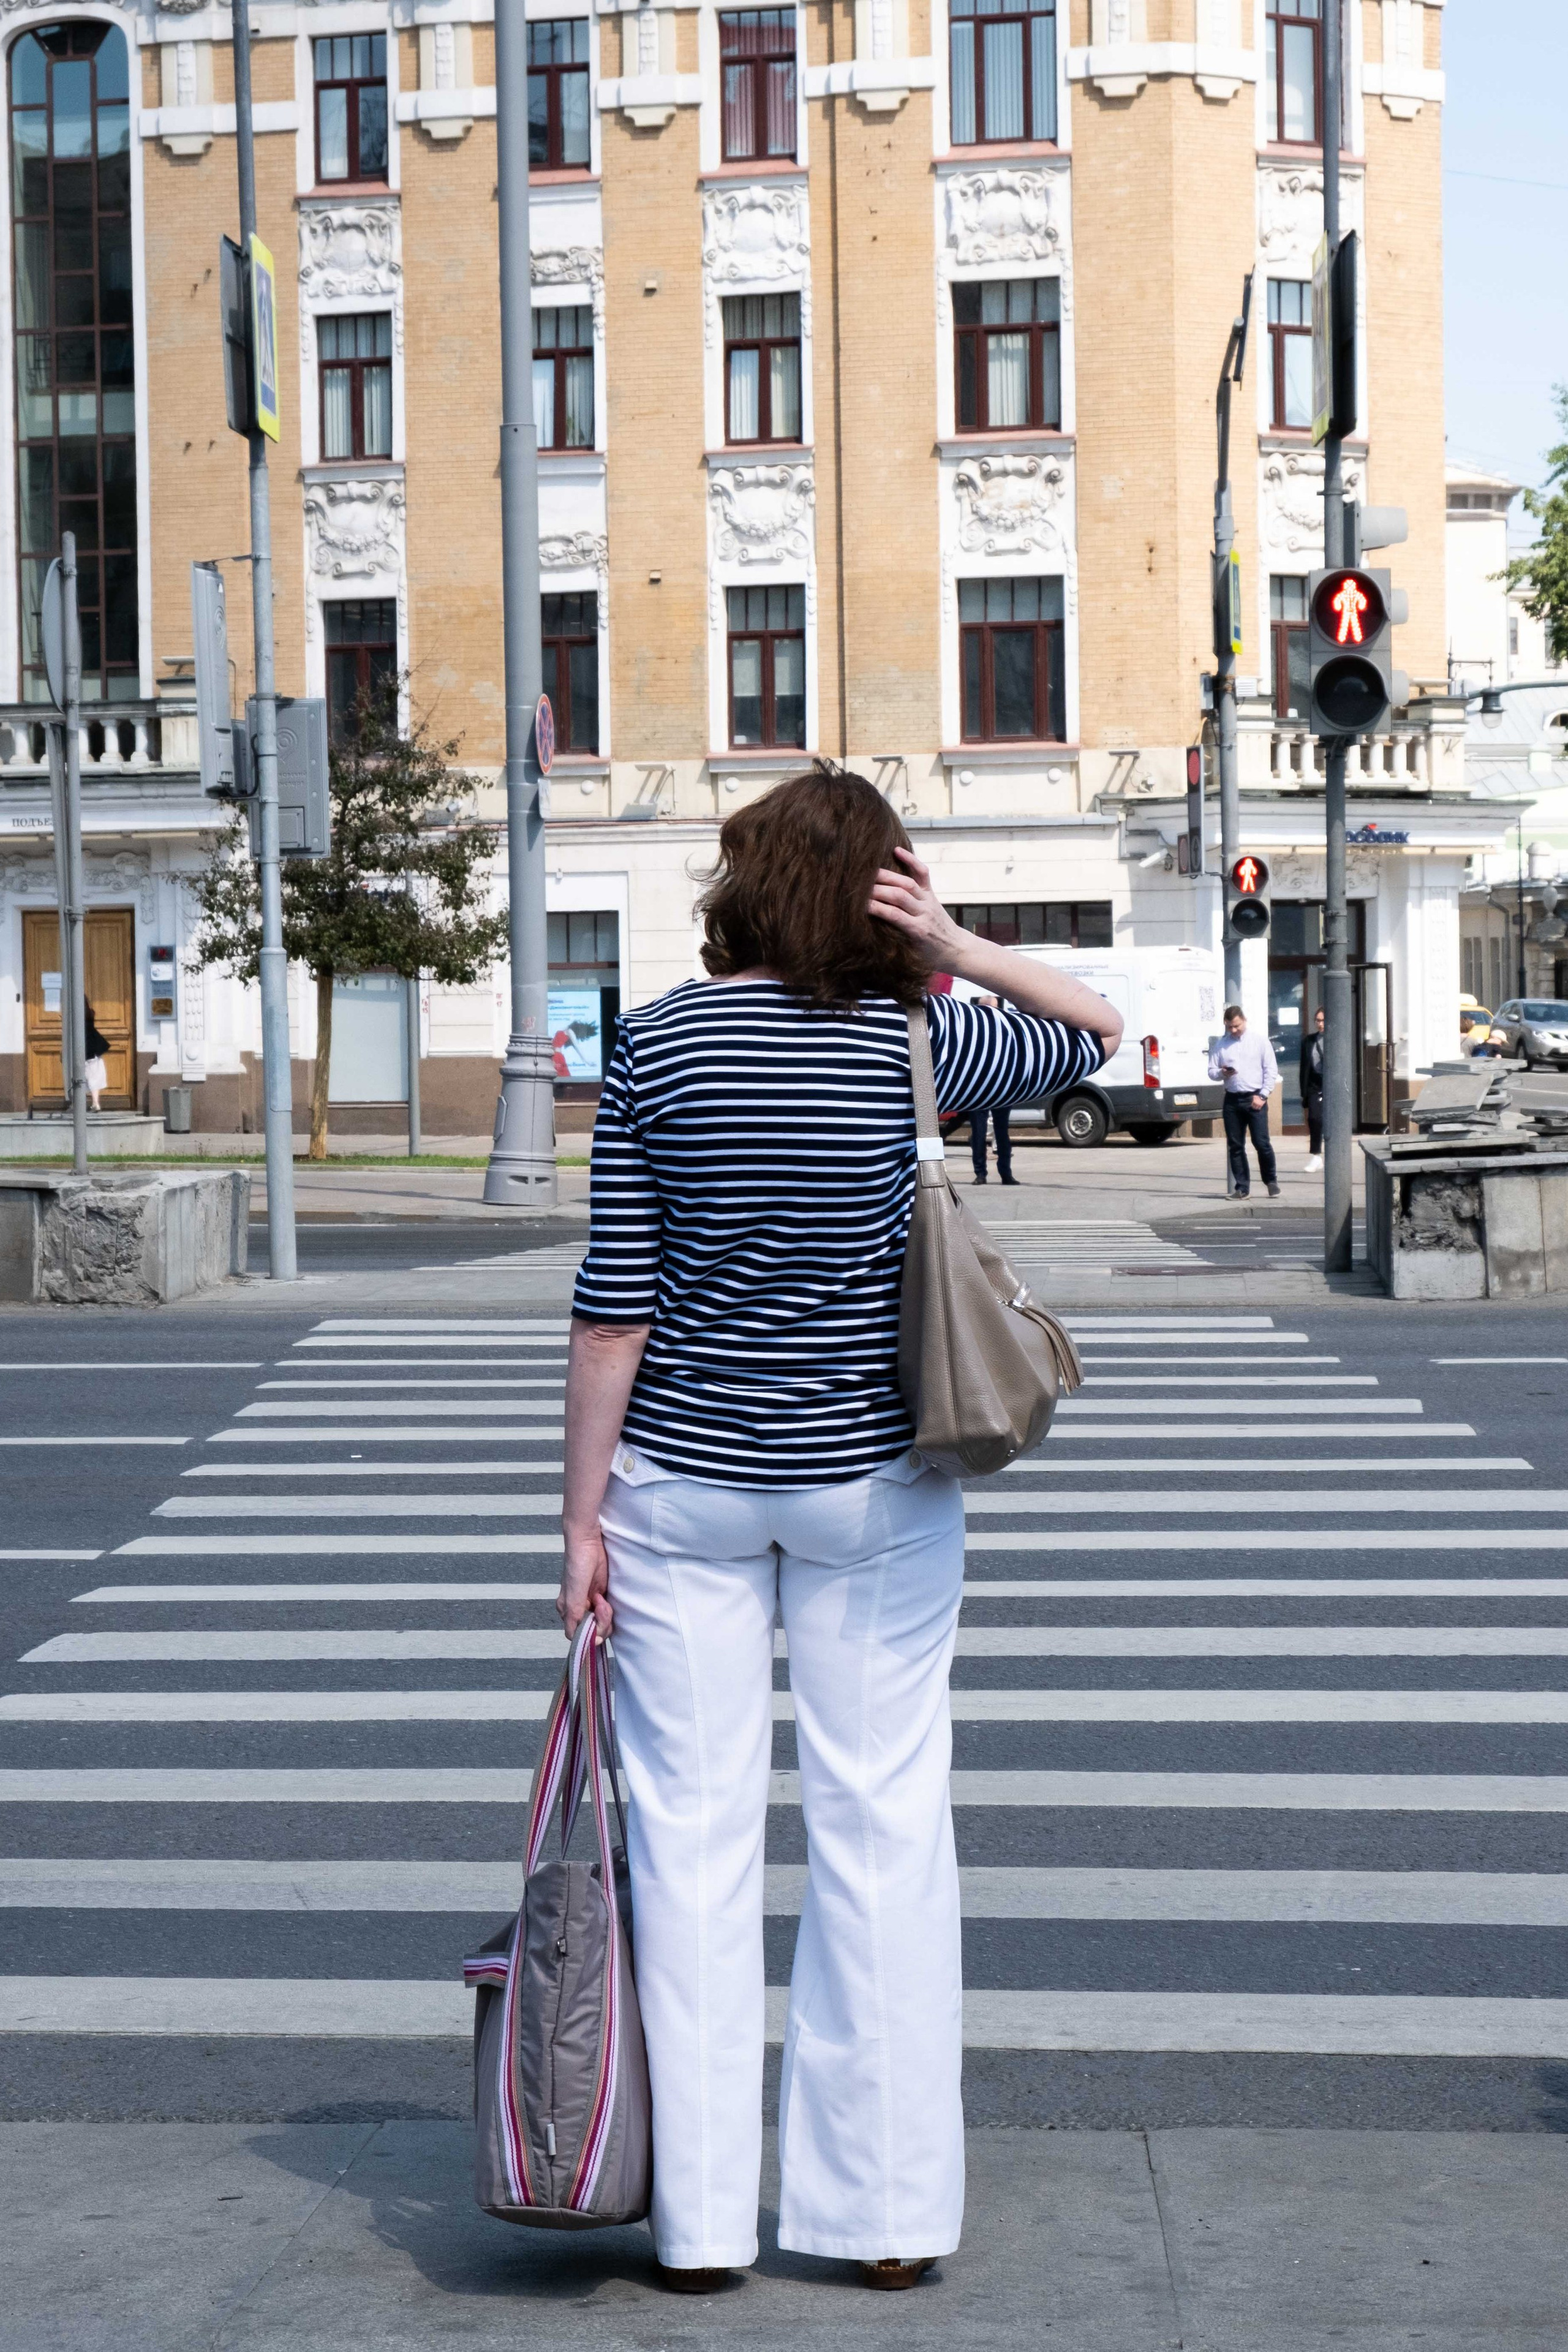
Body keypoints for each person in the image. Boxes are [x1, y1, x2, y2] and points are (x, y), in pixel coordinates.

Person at [559, 765, 1123, 2294]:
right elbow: (1094, 1026)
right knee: (880, 1829)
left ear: (739, 881)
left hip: (680, 1487)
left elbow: (613, 1306)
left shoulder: (657, 1045)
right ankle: (879, 2216)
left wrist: (577, 1525)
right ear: (881, 884)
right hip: (872, 1488)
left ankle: (690, 2226)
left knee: (687, 1843)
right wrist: (952, 941)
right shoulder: (923, 1032)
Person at [1208, 1003, 1280, 1197]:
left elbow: (1271, 1070)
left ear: (1244, 1021)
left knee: (1261, 1142)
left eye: (1237, 1026)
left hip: (1255, 1097)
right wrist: (1222, 1073)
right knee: (1235, 1145)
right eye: (1230, 1027)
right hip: (1232, 1099)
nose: (1234, 1030)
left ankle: (1271, 1181)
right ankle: (1242, 1187)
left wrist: (1263, 1095)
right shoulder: (1222, 1045)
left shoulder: (1259, 1041)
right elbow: (1211, 1071)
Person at [968, 995, 1018, 1184]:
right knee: (979, 1133)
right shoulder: (971, 1030)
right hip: (978, 1088)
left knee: (1002, 1132)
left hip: (1002, 1087)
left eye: (994, 1009)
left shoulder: (1006, 1029)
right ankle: (981, 1173)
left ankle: (1006, 1173)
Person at [1298, 1005, 1324, 1170]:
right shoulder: (1309, 1041)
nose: (1320, 1024)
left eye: (1323, 1020)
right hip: (1315, 1084)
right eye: (1318, 1020)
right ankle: (1316, 1156)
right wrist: (1304, 1092)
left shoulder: (1336, 1038)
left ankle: (1336, 1155)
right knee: (1314, 1118)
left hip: (1332, 1084)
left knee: (1332, 1122)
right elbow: (1304, 1067)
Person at [82, 1000, 110, 1112]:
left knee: (82, 1077)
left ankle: (90, 1103)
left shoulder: (76, 1015)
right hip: (94, 1049)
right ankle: (95, 1103)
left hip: (84, 1050)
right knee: (95, 1077)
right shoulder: (90, 1013)